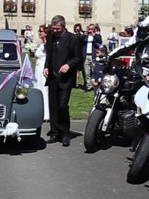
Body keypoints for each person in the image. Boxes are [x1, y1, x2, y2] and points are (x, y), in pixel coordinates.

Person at [43, 15, 82, 147]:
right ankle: (55, 132)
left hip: (66, 78)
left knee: (62, 105)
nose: (55, 31)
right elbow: (49, 54)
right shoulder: (51, 38)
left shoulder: (73, 39)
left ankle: (65, 133)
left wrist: (68, 65)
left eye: (57, 29)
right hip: (53, 77)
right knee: (53, 106)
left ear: (63, 27)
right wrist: (46, 67)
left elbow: (78, 57)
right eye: (53, 28)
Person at [34, 25, 50, 122]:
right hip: (38, 67)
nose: (39, 33)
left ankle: (46, 114)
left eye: (41, 31)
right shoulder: (42, 43)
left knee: (44, 89)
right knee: (38, 87)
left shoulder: (47, 44)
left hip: (44, 66)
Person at [81, 24, 102, 91]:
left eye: (91, 29)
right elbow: (81, 41)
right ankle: (88, 86)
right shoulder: (85, 36)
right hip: (86, 55)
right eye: (89, 29)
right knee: (87, 72)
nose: (90, 30)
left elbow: (99, 41)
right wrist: (85, 34)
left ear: (94, 29)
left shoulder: (97, 36)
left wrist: (93, 34)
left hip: (93, 56)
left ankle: (96, 84)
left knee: (94, 71)